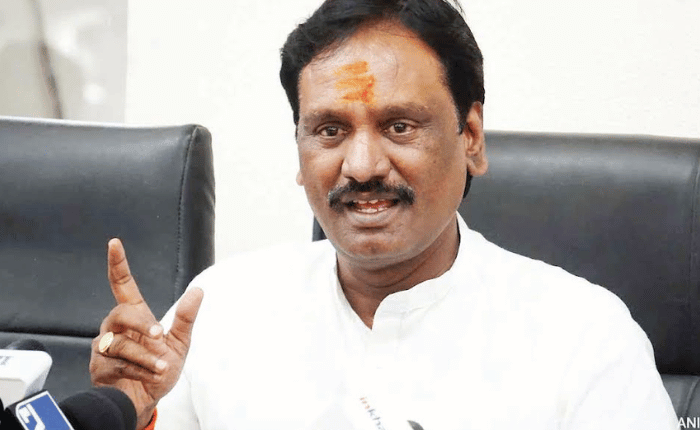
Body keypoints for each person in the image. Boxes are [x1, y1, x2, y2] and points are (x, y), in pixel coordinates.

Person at [89, 0, 678, 429]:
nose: (363, 165)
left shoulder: (585, 339)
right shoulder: (223, 308)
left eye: (399, 126)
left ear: (471, 137)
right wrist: (132, 412)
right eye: (330, 130)